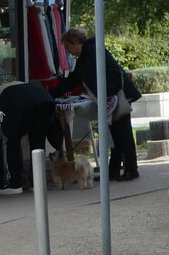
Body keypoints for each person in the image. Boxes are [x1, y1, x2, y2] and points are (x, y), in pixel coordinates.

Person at [48, 28, 138, 182]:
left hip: (116, 97)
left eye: (68, 47)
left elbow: (80, 78)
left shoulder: (90, 53)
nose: (68, 51)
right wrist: (53, 92)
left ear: (76, 42)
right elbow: (76, 78)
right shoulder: (89, 53)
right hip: (113, 97)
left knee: (123, 134)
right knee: (117, 135)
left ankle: (131, 169)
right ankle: (114, 171)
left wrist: (52, 93)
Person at [0, 81, 63, 194]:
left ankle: (15, 184)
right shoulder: (17, 84)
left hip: (16, 102)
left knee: (12, 141)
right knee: (38, 141)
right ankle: (37, 182)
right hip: (45, 99)